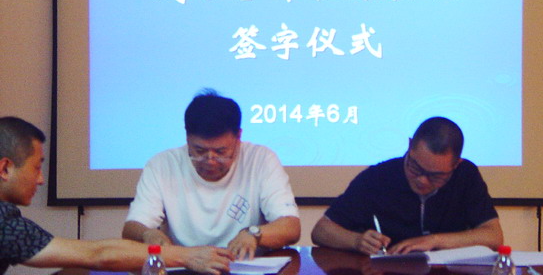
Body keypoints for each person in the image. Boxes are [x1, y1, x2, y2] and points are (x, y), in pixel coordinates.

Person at [0, 116, 233, 275]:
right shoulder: (4, 223)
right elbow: (99, 255)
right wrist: (187, 256)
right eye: (36, 167)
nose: (41, 179)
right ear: (5, 168)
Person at [123, 89, 300, 260]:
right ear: (187, 137)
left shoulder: (261, 159)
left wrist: (253, 234)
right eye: (199, 151)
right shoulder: (162, 165)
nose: (210, 160)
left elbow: (291, 227)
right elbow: (132, 227)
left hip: (245, 266)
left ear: (238, 137)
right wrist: (148, 234)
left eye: (221, 152)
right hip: (184, 265)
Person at [311, 116, 503, 255]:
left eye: (436, 176)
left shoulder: (466, 176)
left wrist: (434, 241)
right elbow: (321, 231)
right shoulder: (378, 178)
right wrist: (356, 241)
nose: (422, 180)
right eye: (415, 167)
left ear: (456, 164)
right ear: (410, 146)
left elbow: (493, 236)